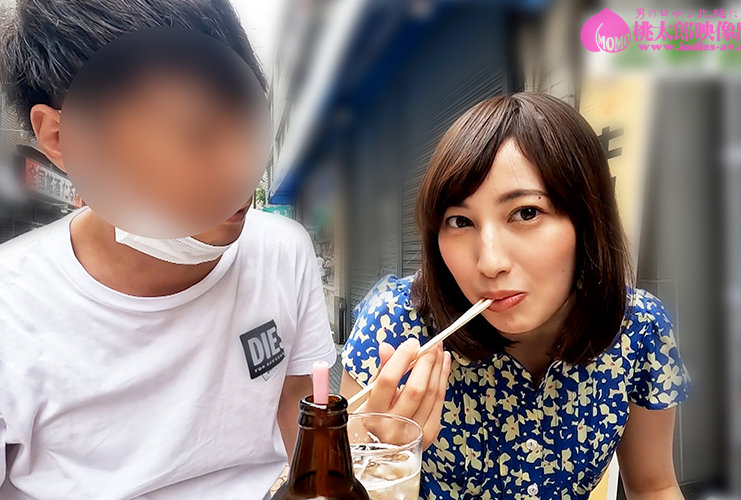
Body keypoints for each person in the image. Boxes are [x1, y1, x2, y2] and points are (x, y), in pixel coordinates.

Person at [0, 1, 447, 498]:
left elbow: (298, 421)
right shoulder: (12, 308)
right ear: (63, 137)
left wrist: (358, 455)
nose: (241, 170)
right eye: (194, 132)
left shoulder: (283, 252)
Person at [340, 92, 691, 499]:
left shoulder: (637, 328)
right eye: (460, 221)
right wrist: (377, 466)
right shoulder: (396, 324)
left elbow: (654, 486)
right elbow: (338, 479)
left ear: (587, 219)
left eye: (526, 213)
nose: (490, 263)